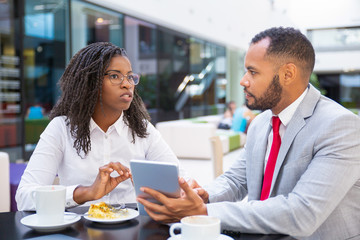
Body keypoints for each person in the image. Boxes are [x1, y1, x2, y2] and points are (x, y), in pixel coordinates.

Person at [137, 27, 360, 239]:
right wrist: (204, 195)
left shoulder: (340, 126)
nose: (243, 81)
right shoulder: (261, 123)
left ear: (288, 74)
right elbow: (236, 180)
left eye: (253, 72)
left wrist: (204, 212)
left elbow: (301, 212)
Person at [16, 42, 183, 210]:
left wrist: (182, 192)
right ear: (90, 82)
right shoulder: (61, 128)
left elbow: (180, 183)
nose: (127, 84)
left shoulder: (143, 129)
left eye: (130, 76)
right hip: (79, 230)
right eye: (115, 76)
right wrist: (87, 192)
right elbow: (24, 197)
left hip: (132, 229)